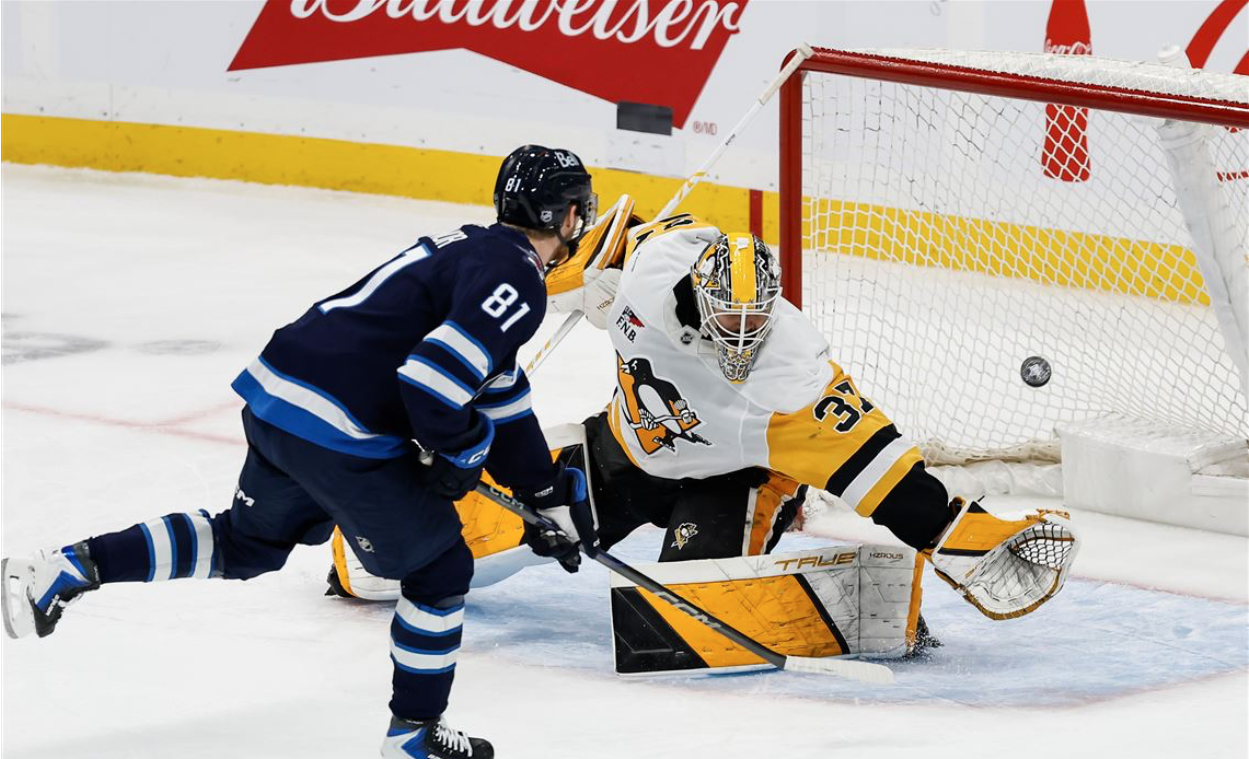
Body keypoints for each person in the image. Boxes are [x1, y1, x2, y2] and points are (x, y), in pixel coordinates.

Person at [0, 144, 600, 759]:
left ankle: (66, 568)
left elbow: (498, 393)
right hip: (341, 426)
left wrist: (541, 490)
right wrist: (461, 449)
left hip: (281, 397)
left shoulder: (472, 248)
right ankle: (414, 740)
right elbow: (432, 382)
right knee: (439, 567)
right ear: (566, 215)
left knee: (246, 543)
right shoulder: (516, 278)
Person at [329, 210, 1078, 662]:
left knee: (680, 622)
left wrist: (957, 531)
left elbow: (884, 472)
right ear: (698, 292)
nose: (743, 337)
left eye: (757, 321)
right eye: (730, 319)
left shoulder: (795, 375)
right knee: (388, 565)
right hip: (623, 451)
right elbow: (563, 258)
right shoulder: (650, 270)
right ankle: (366, 552)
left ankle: (872, 604)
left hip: (733, 479)